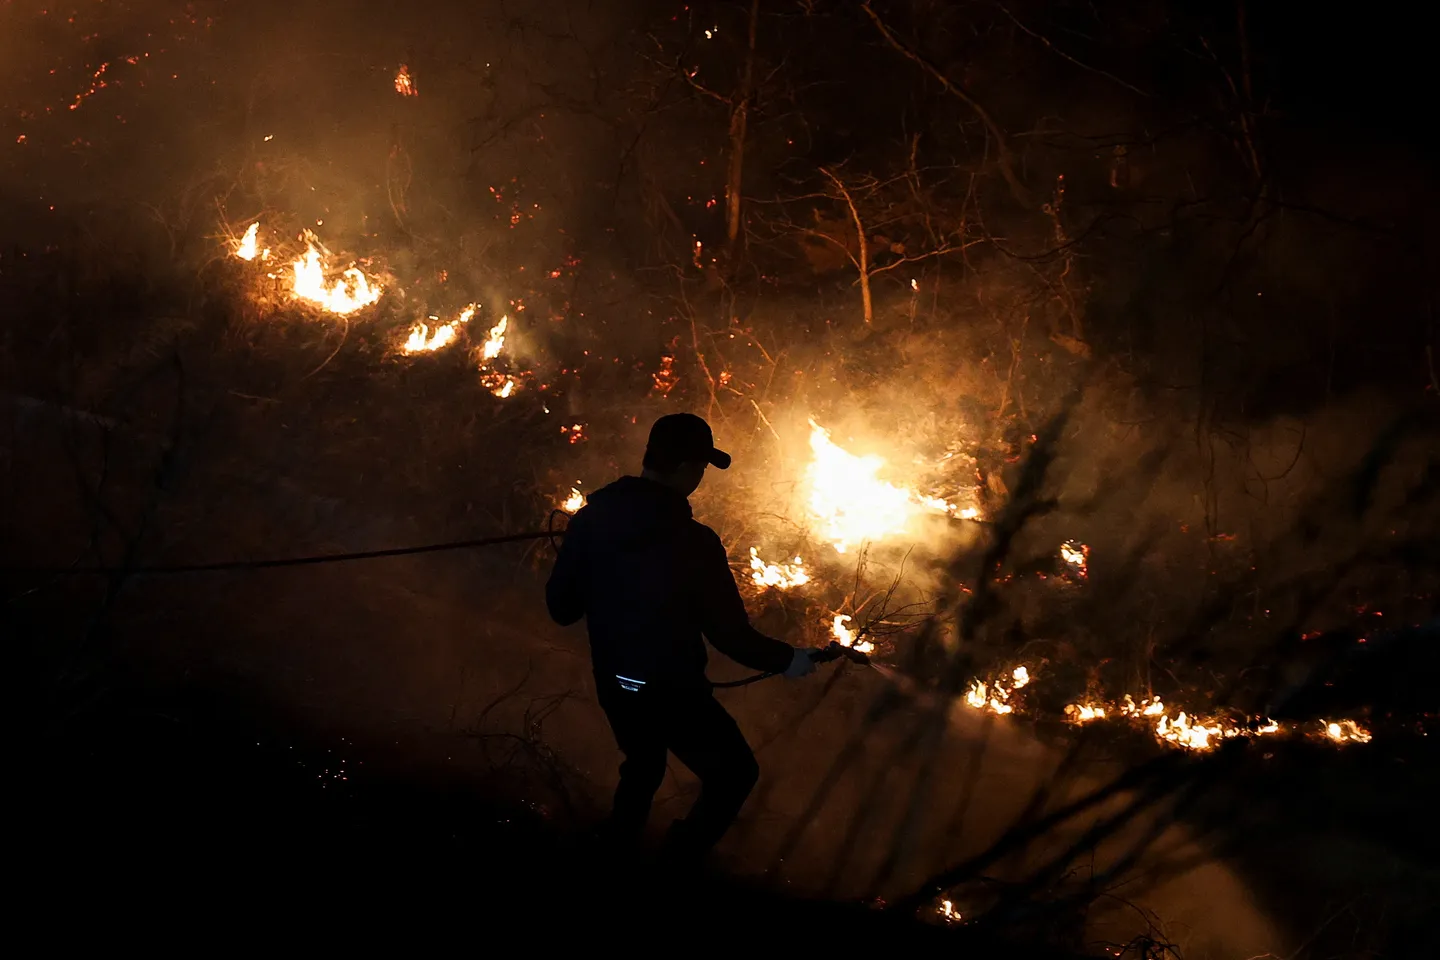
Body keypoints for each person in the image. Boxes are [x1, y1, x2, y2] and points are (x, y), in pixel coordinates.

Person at [546, 412, 816, 864]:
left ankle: (610, 856)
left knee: (644, 765)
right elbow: (730, 635)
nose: (701, 478)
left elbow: (562, 609)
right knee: (734, 774)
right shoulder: (695, 542)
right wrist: (788, 659)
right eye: (702, 469)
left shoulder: (592, 521)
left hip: (615, 679)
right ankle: (675, 865)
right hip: (669, 689)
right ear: (689, 469)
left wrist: (586, 556)